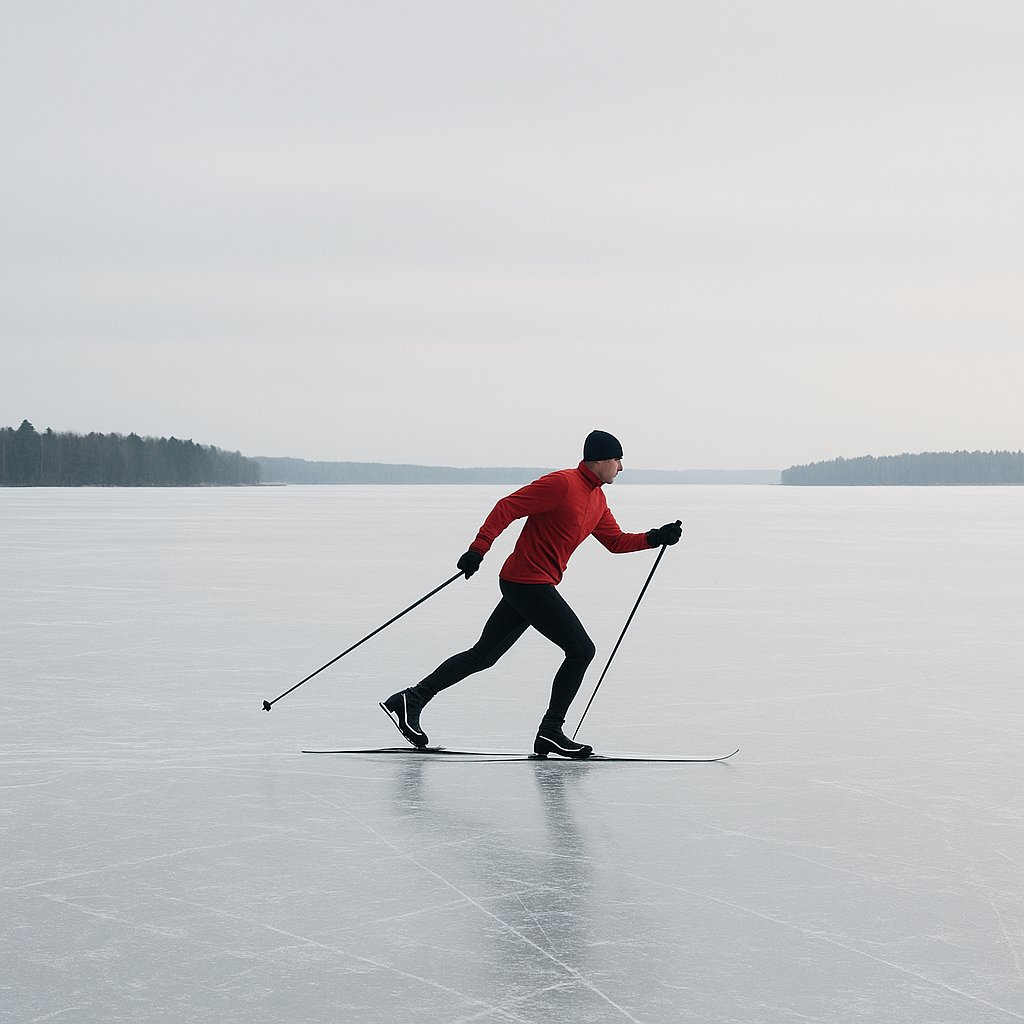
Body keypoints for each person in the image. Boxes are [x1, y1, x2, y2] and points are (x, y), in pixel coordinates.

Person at [380, 430, 682, 758]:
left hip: (529, 583)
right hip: (527, 583)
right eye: (617, 459)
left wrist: (655, 537)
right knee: (581, 650)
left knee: (484, 655)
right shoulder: (562, 484)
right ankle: (550, 732)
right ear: (597, 460)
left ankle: (412, 698)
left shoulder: (597, 499)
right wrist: (478, 549)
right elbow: (507, 506)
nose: (621, 467)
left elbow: (615, 542)